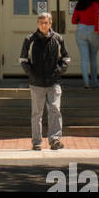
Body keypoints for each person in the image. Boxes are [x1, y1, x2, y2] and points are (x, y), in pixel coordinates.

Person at [20, 13, 70, 150]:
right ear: (37, 24)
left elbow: (65, 59)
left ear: (50, 24)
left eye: (46, 23)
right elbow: (23, 61)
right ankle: (36, 142)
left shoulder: (58, 39)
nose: (43, 25)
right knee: (37, 113)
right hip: (36, 84)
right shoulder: (29, 40)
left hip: (53, 83)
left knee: (55, 109)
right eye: (41, 22)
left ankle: (55, 140)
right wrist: (33, 75)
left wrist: (57, 73)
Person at [71, 0, 99, 89]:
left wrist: (81, 20)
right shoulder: (95, 4)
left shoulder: (79, 4)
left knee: (84, 59)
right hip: (93, 30)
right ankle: (95, 82)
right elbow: (96, 18)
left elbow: (73, 21)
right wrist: (96, 30)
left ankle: (86, 83)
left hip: (81, 31)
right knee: (93, 58)